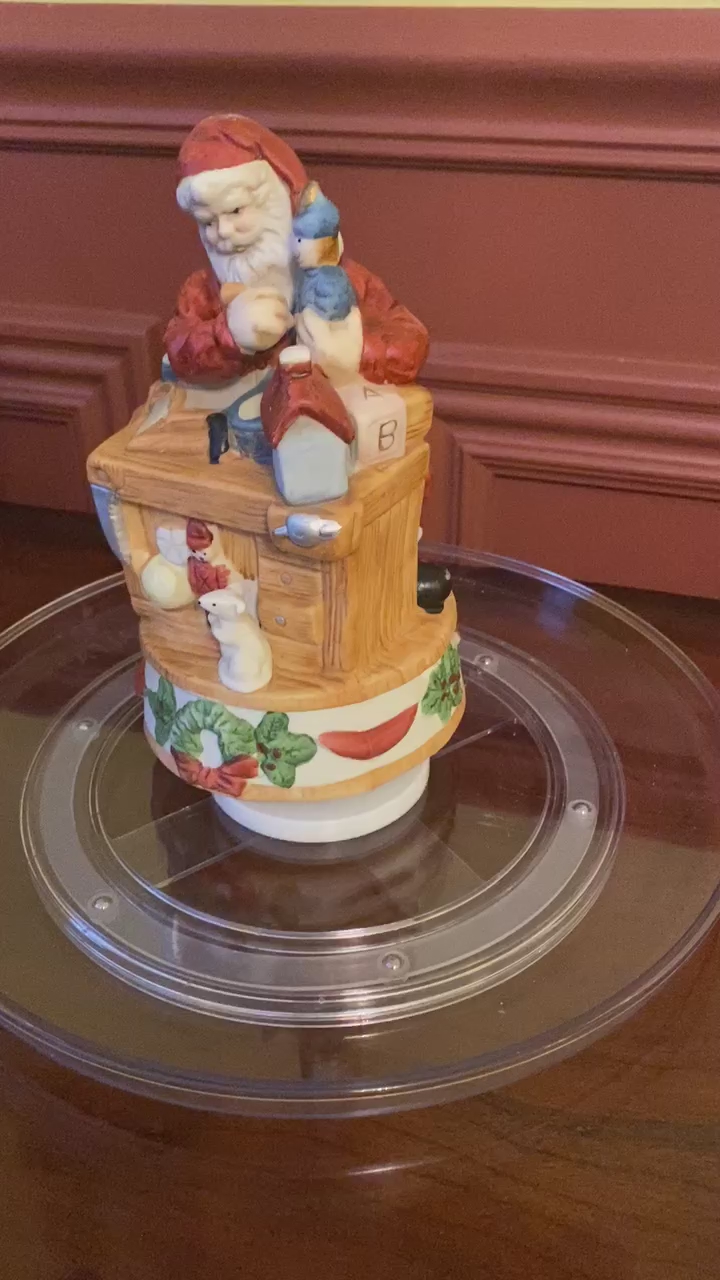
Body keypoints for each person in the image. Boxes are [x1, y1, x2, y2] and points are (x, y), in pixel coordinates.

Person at [165, 114, 428, 387]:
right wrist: (228, 335)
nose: (223, 232)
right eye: (207, 222)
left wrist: (356, 351)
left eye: (236, 210)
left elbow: (410, 339)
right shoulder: (203, 291)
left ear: (282, 201)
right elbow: (179, 347)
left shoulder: (348, 281)